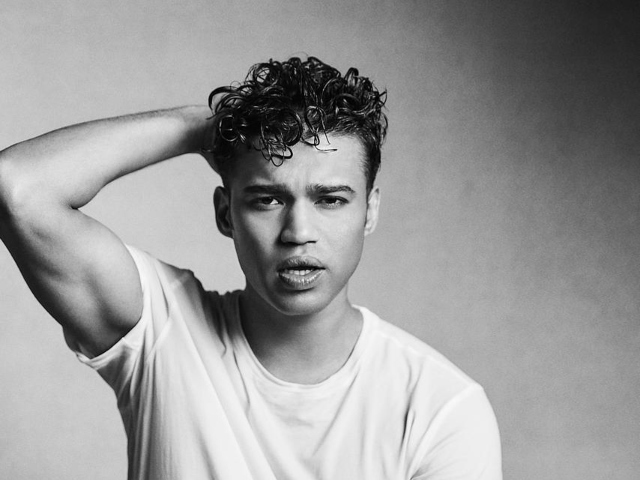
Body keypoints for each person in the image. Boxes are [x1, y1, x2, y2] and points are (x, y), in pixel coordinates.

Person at [0, 56, 502, 479]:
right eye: (267, 199)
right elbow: (17, 188)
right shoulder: (162, 333)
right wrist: (201, 128)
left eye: (330, 199)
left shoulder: (440, 408)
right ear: (226, 213)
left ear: (369, 211)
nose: (298, 231)